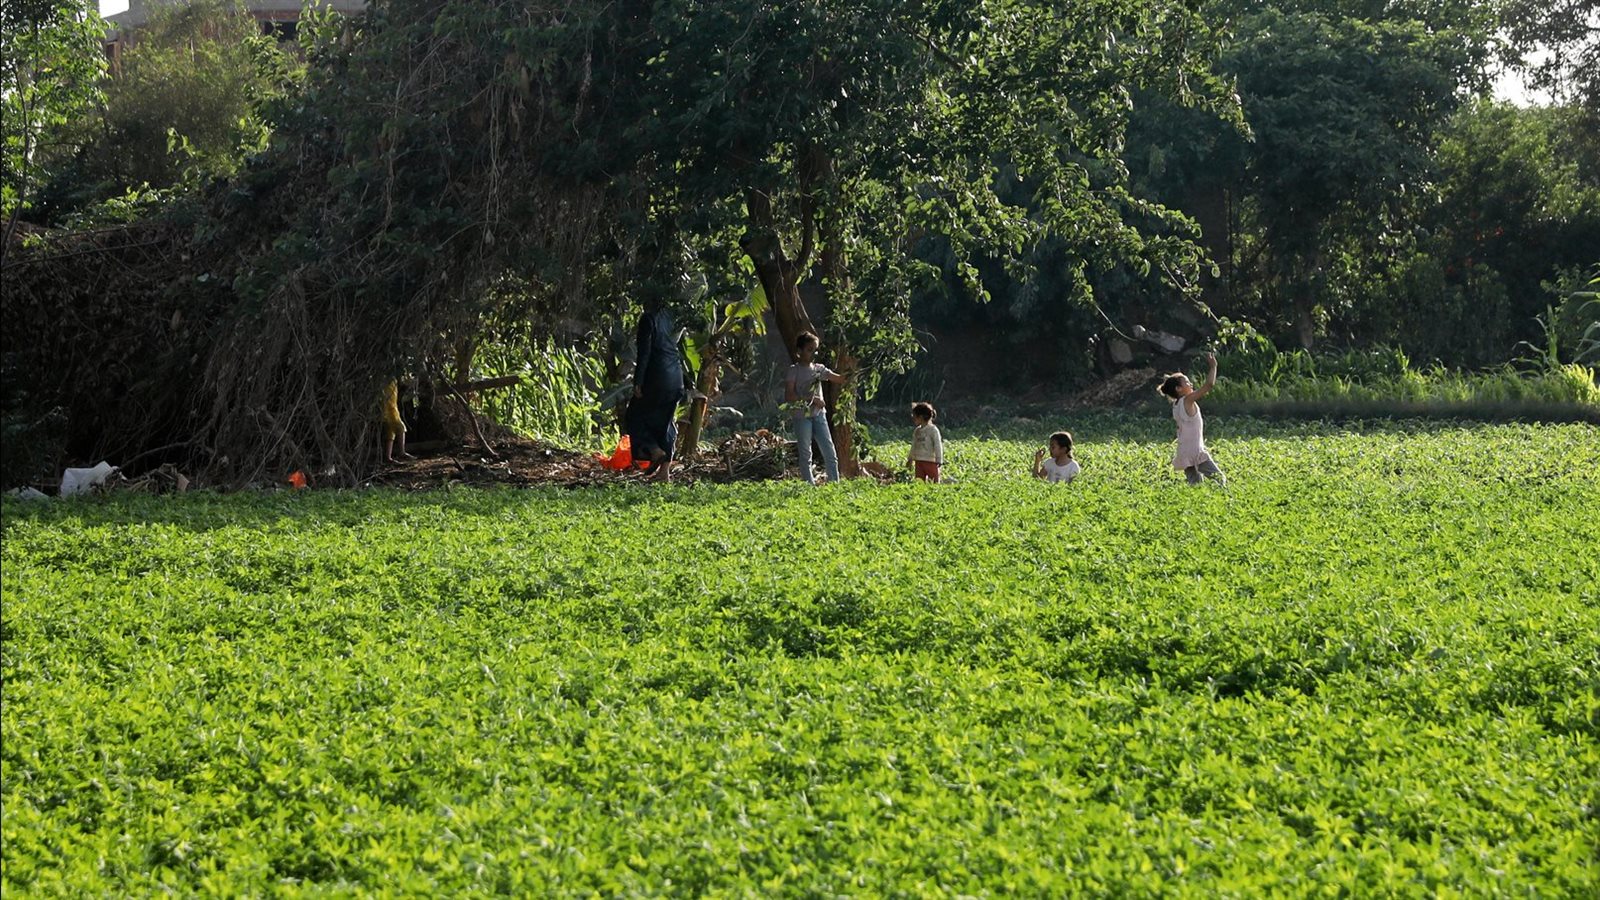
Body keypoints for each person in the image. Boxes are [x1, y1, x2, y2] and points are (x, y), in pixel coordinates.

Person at [626, 303, 686, 481]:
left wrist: (638, 381)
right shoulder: (672, 315)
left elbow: (644, 352)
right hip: (675, 376)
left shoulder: (648, 318)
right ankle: (664, 473)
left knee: (634, 416)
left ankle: (654, 450)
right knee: (666, 423)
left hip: (657, 376)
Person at [784, 331, 847, 485]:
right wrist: (811, 399)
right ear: (799, 351)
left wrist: (854, 372)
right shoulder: (794, 370)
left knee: (829, 450)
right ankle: (809, 485)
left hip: (819, 415)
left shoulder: (819, 369)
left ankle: (834, 483)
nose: (813, 353)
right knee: (806, 452)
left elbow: (838, 378)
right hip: (801, 416)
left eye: (815, 350)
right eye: (809, 349)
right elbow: (789, 396)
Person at [1158, 352, 1227, 487]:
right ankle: (1225, 500)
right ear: (1179, 389)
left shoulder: (1176, 405)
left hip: (1184, 451)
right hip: (1195, 451)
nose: (1191, 383)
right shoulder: (1188, 400)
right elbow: (1209, 385)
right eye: (1187, 382)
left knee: (1195, 484)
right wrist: (1213, 367)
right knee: (1219, 478)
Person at [905, 401, 943, 482]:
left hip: (931, 462)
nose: (913, 418)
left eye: (915, 416)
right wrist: (910, 459)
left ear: (921, 417)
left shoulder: (933, 430)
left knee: (934, 482)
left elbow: (937, 445)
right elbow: (914, 446)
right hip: (919, 461)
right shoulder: (917, 431)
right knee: (919, 482)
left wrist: (939, 459)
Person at [380, 379, 413, 463]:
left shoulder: (392, 379)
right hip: (388, 409)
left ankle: (387, 457)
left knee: (390, 432)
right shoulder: (385, 379)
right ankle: (401, 452)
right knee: (400, 428)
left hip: (392, 408)